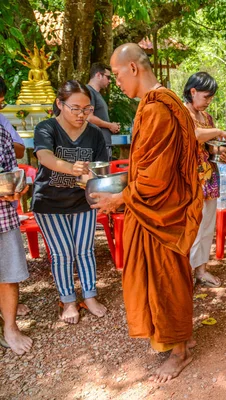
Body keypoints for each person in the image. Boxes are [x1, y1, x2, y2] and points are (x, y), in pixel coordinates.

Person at [93, 43, 201, 383]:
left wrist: (120, 198)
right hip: (156, 209)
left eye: (118, 74)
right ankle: (176, 337)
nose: (117, 82)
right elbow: (147, 164)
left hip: (160, 213)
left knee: (165, 279)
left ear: (134, 69)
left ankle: (180, 351)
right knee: (163, 278)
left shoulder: (157, 109)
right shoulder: (156, 105)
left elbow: (156, 175)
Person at [32, 80, 108, 324]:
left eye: (87, 109)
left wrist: (92, 180)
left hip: (82, 201)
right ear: (59, 104)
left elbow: (99, 168)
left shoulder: (94, 134)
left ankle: (90, 295)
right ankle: (67, 300)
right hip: (49, 203)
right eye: (75, 108)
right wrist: (71, 168)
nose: (81, 114)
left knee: (85, 250)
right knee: (62, 252)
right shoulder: (47, 128)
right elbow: (44, 156)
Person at [183, 72, 226, 287]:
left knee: (206, 226)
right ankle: (185, 272)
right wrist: (219, 131)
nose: (208, 102)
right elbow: (194, 135)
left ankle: (201, 270)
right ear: (192, 92)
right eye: (206, 97)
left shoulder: (207, 118)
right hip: (189, 179)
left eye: (211, 98)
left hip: (210, 176)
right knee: (190, 227)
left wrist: (224, 152)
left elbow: (209, 147)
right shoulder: (182, 113)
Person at [0, 124, 32, 355]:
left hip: (2, 214)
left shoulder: (2, 134)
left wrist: (18, 188)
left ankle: (10, 327)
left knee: (8, 274)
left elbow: (12, 171)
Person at [86, 63, 120, 158]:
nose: (109, 81)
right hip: (98, 143)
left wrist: (112, 126)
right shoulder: (89, 91)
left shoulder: (97, 93)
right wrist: (110, 125)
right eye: (108, 77)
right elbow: (89, 117)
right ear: (98, 75)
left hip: (103, 142)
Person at [0, 76, 26, 159]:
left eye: (1, 102)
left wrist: (4, 142)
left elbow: (20, 152)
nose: (1, 106)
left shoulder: (1, 120)